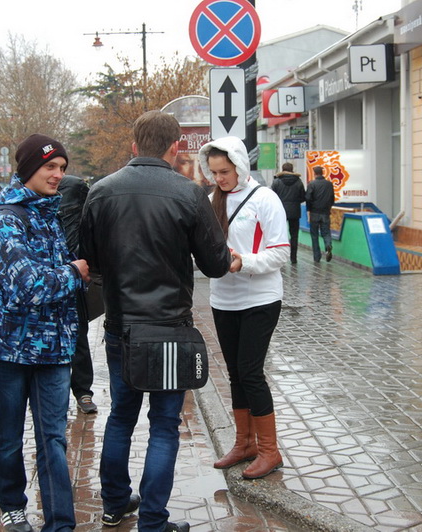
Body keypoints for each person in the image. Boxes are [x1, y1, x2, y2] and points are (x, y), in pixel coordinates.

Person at [79, 110, 231, 532]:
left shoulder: (101, 191)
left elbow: (88, 259)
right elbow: (216, 265)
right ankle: (153, 521)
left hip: (121, 325)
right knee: (164, 424)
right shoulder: (188, 193)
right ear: (176, 147)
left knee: (121, 417)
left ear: (133, 146)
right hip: (168, 330)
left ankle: (112, 504)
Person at [0, 134, 89, 532]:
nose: (58, 175)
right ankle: (12, 505)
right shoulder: (7, 218)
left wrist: (70, 274)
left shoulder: (49, 213)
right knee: (8, 436)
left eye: (62, 167)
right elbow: (29, 286)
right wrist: (74, 273)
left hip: (54, 349)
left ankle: (60, 523)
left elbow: (48, 279)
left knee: (53, 440)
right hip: (9, 349)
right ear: (28, 170)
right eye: (50, 167)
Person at [197, 136, 289, 480]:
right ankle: (244, 443)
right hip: (223, 300)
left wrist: (243, 263)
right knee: (235, 373)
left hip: (260, 299)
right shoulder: (210, 201)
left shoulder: (265, 199)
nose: (219, 178)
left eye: (225, 171)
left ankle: (270, 450)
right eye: (215, 172)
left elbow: (281, 251)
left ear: (240, 166)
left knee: (251, 372)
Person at [57, 174, 98, 415]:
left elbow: (91, 232)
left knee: (79, 338)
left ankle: (83, 391)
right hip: (51, 281)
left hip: (75, 281)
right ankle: (60, 395)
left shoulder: (75, 190)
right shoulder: (31, 204)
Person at [271, 162, 305, 264]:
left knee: (280, 235)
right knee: (294, 235)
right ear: (292, 169)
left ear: (282, 169)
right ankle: (293, 258)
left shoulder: (277, 182)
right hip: (295, 211)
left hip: (280, 211)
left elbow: (272, 196)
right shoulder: (298, 182)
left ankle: (281, 258)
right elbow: (303, 196)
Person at [305, 166, 334, 262]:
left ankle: (317, 257)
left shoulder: (311, 184)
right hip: (325, 213)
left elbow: (308, 198)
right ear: (322, 173)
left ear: (314, 173)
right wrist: (328, 207)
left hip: (314, 212)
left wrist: (309, 210)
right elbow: (332, 198)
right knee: (326, 232)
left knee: (314, 235)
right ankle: (328, 245)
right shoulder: (329, 184)